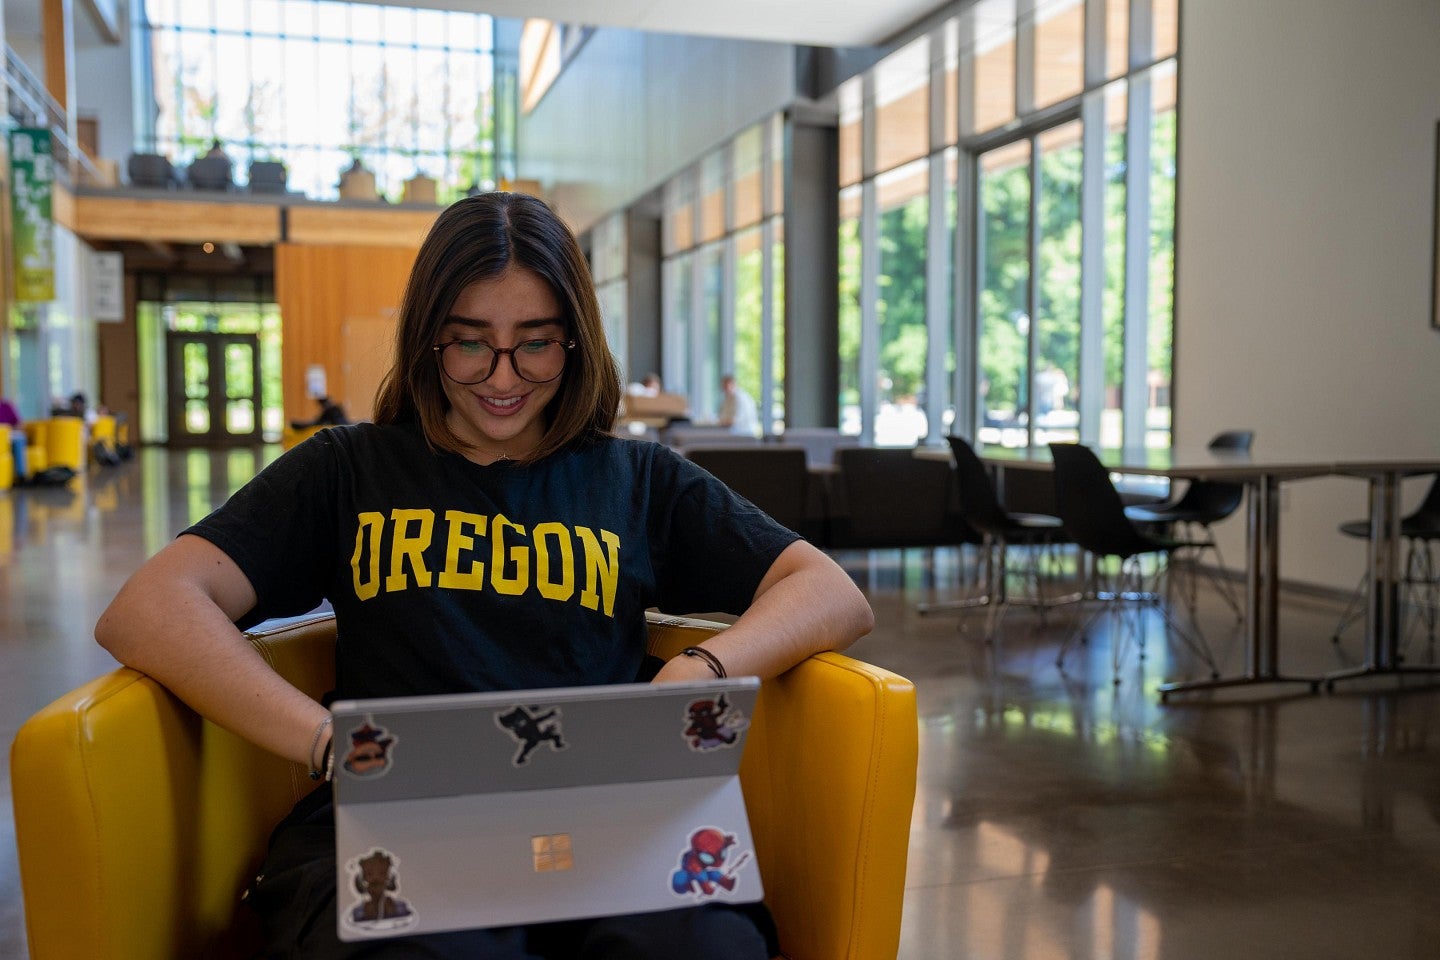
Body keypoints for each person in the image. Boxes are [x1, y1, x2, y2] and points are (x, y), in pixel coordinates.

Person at [95, 191, 873, 960]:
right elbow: (150, 605)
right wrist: (326, 740)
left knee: (705, 948)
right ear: (429, 340)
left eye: (535, 342)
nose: (503, 377)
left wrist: (700, 668)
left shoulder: (637, 479)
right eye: (470, 343)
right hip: (392, 816)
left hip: (605, 820)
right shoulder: (349, 469)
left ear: (574, 343)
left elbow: (829, 591)